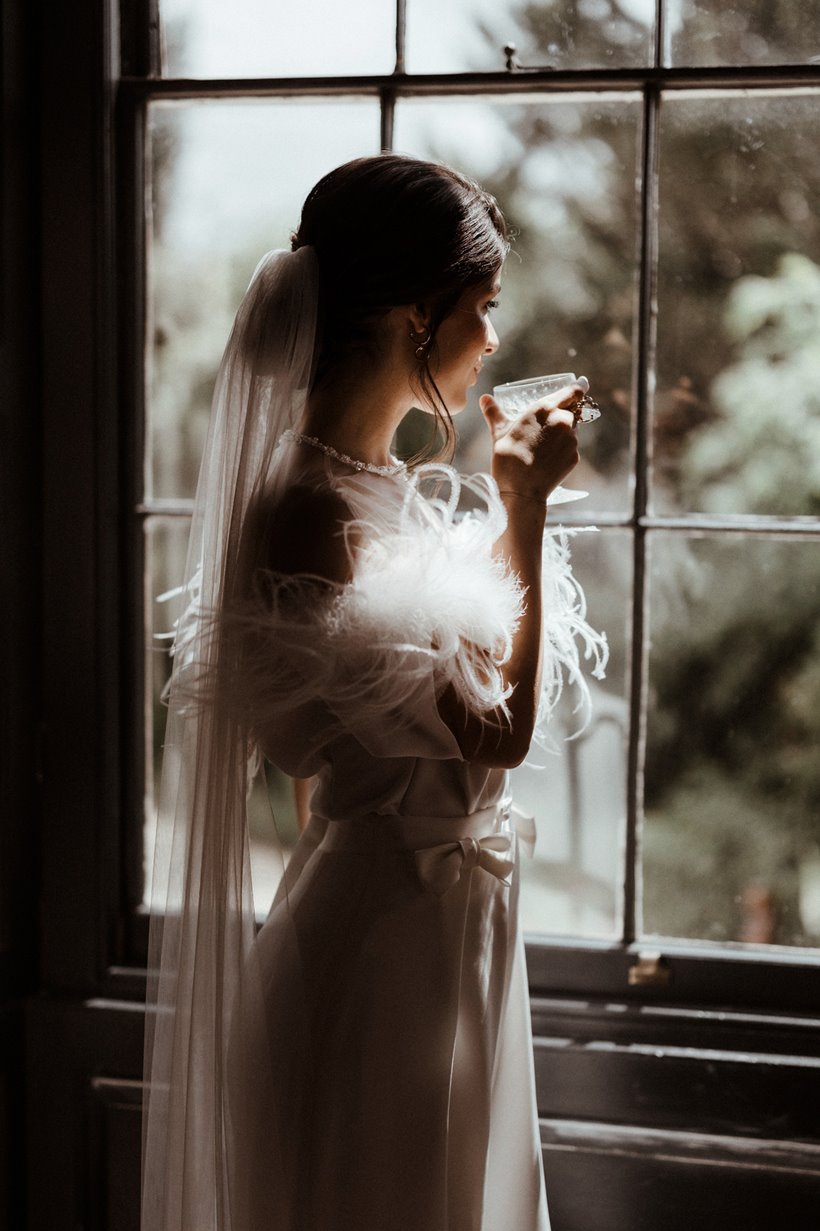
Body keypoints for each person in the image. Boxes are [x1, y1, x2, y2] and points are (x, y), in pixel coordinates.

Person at [141, 153, 607, 1231]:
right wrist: (525, 513)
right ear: (414, 316)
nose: (492, 339)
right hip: (378, 951)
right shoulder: (310, 515)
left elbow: (384, 742)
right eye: (481, 308)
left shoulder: (381, 497)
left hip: (441, 927)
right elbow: (495, 737)